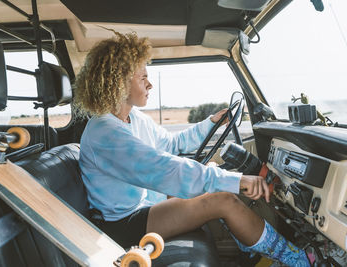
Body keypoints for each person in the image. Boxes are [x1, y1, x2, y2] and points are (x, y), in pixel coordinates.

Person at [73, 31, 311, 267]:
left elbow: (171, 145)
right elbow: (163, 169)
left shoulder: (133, 118)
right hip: (122, 224)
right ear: (119, 83)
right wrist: (237, 180)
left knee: (211, 172)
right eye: (142, 77)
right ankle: (298, 261)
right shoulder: (105, 132)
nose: (150, 84)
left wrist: (210, 123)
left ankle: (255, 254)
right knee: (223, 199)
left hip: (145, 207)